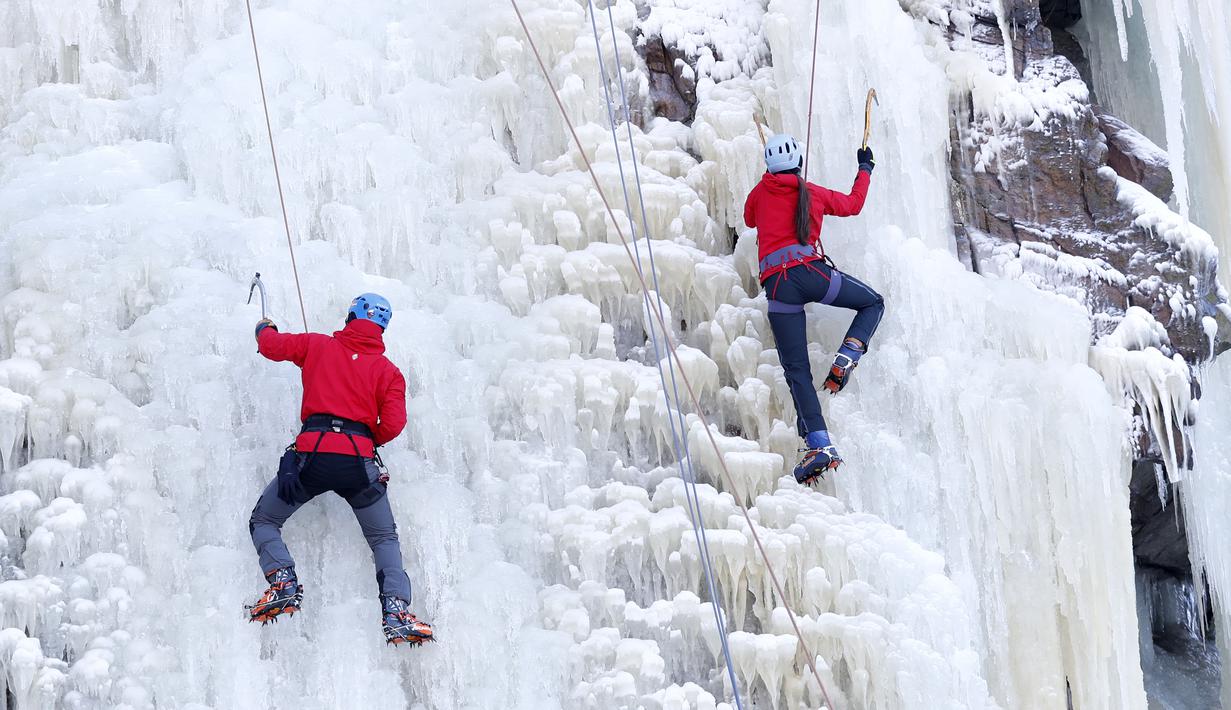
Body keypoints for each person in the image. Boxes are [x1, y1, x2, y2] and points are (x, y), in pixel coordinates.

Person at [246, 293, 433, 646]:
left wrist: (264, 327)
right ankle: (395, 610)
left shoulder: (317, 346)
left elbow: (271, 346)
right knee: (383, 538)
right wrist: (363, 439)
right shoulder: (389, 372)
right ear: (382, 328)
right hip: (359, 464)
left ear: (350, 317)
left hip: (312, 457)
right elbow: (393, 423)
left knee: (265, 521)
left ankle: (283, 582)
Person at [743, 134, 885, 485]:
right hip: (812, 274)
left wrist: (768, 188)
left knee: (797, 372)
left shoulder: (760, 194)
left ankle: (820, 445)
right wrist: (864, 168)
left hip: (778, 288)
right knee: (872, 302)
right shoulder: (812, 193)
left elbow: (749, 220)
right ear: (799, 163)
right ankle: (847, 355)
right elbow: (853, 204)